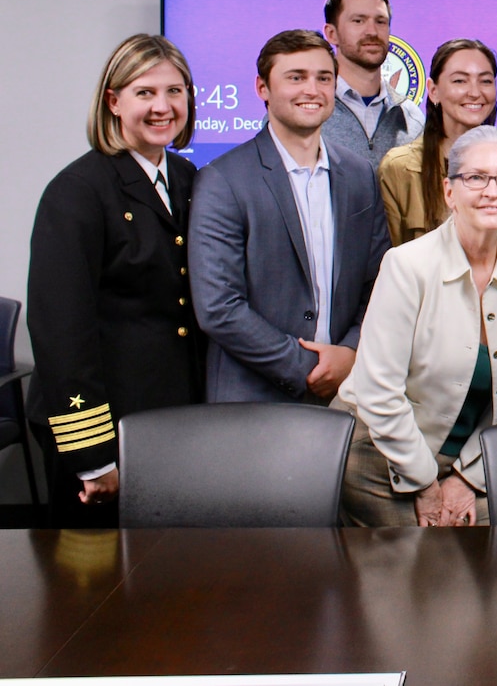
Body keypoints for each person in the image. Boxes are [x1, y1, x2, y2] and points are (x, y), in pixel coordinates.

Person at [26, 34, 207, 527]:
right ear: (113, 101)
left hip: (174, 417)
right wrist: (92, 454)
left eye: (175, 91)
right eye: (145, 92)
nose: (162, 107)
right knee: (94, 584)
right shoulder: (78, 191)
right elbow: (62, 332)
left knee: (172, 582)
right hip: (104, 425)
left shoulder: (190, 180)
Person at [333, 126, 497, 526]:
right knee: (420, 565)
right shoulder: (406, 266)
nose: (493, 190)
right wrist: (425, 486)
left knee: (491, 563)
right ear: (450, 192)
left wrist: (468, 479)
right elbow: (378, 393)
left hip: (468, 459)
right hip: (380, 453)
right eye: (476, 177)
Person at [190, 29, 390, 404]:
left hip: (347, 395)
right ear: (262, 88)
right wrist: (307, 369)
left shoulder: (360, 174)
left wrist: (349, 353)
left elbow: (380, 281)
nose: (311, 90)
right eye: (295, 77)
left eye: (323, 78)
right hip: (254, 402)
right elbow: (219, 306)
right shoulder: (222, 180)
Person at [378, 39, 497, 245]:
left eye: (485, 81)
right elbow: (390, 262)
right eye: (460, 81)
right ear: (433, 90)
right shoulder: (399, 168)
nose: (475, 92)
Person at [320, 0, 425, 168]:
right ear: (331, 34)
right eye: (358, 21)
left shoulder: (412, 118)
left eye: (380, 21)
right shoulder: (308, 110)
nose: (372, 32)